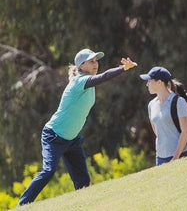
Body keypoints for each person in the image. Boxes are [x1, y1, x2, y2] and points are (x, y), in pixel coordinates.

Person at [17, 48, 137, 206]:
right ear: (81, 66)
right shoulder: (79, 81)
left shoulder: (88, 82)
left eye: (96, 61)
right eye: (91, 61)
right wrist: (123, 68)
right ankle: (22, 205)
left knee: (83, 180)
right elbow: (104, 77)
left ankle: (84, 206)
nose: (96, 64)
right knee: (48, 171)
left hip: (72, 140)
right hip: (53, 136)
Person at [140, 66, 187, 166]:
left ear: (159, 82)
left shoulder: (179, 102)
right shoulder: (151, 105)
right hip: (160, 157)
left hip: (179, 156)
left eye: (149, 81)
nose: (147, 84)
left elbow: (186, 131)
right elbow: (157, 131)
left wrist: (175, 158)